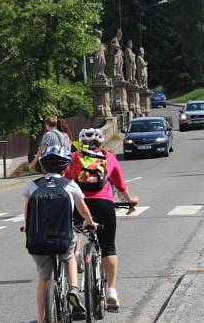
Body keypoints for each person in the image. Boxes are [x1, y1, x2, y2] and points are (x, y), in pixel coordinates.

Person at [65, 128, 139, 311]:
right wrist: (131, 200)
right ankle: (112, 291)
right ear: (102, 142)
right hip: (104, 205)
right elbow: (120, 185)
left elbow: (65, 183)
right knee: (109, 247)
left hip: (79, 206)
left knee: (71, 244)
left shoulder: (74, 158)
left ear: (81, 142)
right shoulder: (109, 158)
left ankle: (76, 278)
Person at [23, 145, 97, 323]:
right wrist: (89, 221)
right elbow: (82, 208)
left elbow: (27, 213)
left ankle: (42, 319)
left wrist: (26, 226)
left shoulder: (32, 186)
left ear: (42, 168)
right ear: (65, 169)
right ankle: (73, 288)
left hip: (38, 239)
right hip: (63, 237)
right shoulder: (70, 185)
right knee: (69, 256)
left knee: (43, 277)